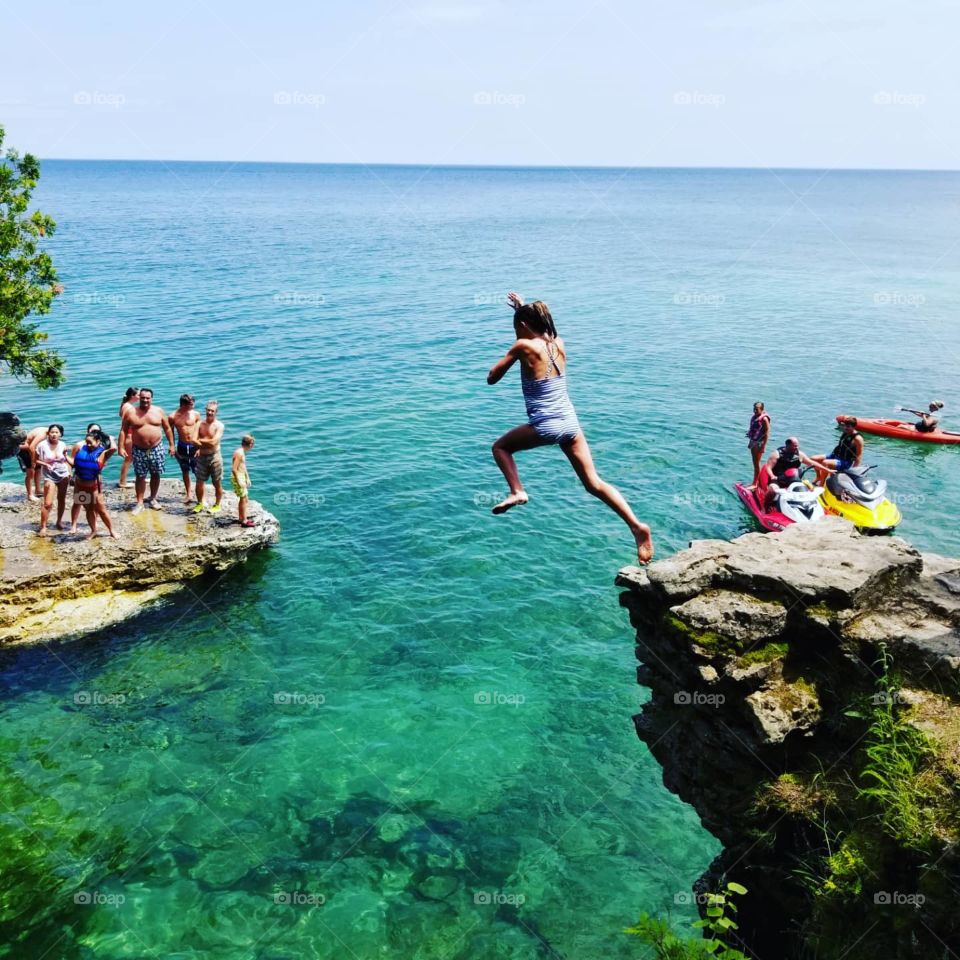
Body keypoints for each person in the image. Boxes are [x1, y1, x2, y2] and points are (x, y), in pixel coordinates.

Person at [487, 292, 654, 564]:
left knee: (500, 447)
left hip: (546, 424)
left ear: (524, 327)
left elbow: (492, 378)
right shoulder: (557, 342)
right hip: (570, 424)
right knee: (594, 483)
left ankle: (517, 491)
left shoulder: (521, 346)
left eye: (516, 326)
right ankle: (637, 526)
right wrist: (520, 309)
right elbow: (539, 330)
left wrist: (511, 353)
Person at [120, 388, 175, 515]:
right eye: (143, 397)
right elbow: (123, 430)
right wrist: (121, 447)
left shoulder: (159, 411)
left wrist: (172, 445)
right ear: (139, 398)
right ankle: (139, 503)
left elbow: (167, 428)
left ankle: (153, 498)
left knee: (155, 474)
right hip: (139, 449)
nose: (145, 400)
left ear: (151, 398)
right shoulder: (131, 412)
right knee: (140, 476)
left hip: (156, 448)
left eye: (148, 398)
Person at [69, 428, 118, 539]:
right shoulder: (82, 449)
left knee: (101, 510)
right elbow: (74, 464)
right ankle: (93, 531)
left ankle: (112, 530)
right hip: (79, 485)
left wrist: (111, 439)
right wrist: (64, 456)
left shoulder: (103, 453)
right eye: (87, 442)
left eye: (91, 443)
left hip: (93, 487)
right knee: (89, 509)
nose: (88, 445)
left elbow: (114, 448)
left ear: (98, 442)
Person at [762, 437, 832, 510]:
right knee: (773, 489)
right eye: (795, 446)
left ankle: (809, 509)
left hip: (793, 480)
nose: (797, 447)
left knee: (810, 490)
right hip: (778, 479)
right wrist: (772, 476)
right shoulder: (776, 454)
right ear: (787, 445)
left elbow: (812, 463)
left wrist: (827, 470)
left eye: (797, 445)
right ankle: (765, 507)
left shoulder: (800, 454)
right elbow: (768, 467)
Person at [35, 424, 72, 535]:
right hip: (49, 476)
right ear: (48, 433)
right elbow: (35, 460)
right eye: (52, 432)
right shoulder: (42, 445)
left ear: (60, 434)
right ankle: (43, 526)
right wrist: (45, 464)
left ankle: (59, 522)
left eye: (56, 432)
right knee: (48, 503)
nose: (54, 434)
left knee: (61, 500)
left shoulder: (63, 444)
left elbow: (65, 459)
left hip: (63, 474)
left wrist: (69, 472)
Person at [194, 400, 225, 513]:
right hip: (201, 457)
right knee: (199, 481)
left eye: (212, 411)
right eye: (208, 410)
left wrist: (199, 441)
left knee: (216, 482)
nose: (210, 413)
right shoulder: (199, 424)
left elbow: (213, 442)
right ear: (205, 410)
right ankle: (200, 503)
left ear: (216, 412)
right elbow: (192, 440)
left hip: (215, 457)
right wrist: (204, 441)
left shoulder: (219, 425)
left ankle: (217, 505)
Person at [170, 393, 202, 504]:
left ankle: (201, 497)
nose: (192, 406)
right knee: (185, 470)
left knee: (199, 472)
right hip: (182, 446)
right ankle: (188, 494)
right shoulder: (173, 416)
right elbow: (170, 432)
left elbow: (200, 432)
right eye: (190, 404)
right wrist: (172, 446)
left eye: (193, 404)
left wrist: (199, 448)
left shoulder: (196, 415)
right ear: (183, 404)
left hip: (194, 446)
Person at [811, 417, 863, 481]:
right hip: (835, 456)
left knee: (825, 463)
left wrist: (853, 471)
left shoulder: (858, 439)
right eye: (845, 426)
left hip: (845, 461)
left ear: (854, 427)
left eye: (848, 426)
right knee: (813, 459)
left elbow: (859, 456)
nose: (845, 428)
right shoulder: (846, 432)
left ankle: (821, 484)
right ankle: (818, 477)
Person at [17, 425, 47, 501]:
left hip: (30, 449)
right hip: (24, 449)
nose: (54, 435)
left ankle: (38, 490)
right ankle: (30, 495)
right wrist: (33, 460)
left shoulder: (46, 430)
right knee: (30, 472)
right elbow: (31, 447)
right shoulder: (43, 434)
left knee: (38, 469)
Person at [117, 387, 139, 489]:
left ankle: (138, 476)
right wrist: (120, 446)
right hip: (129, 435)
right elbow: (124, 427)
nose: (139, 397)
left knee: (133, 458)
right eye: (138, 395)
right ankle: (122, 482)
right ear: (132, 396)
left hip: (130, 434)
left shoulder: (126, 405)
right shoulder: (129, 408)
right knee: (129, 459)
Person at [231, 434, 255, 527]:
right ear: (249, 444)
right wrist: (239, 481)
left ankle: (242, 518)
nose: (252, 446)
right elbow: (234, 469)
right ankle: (244, 520)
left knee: (245, 499)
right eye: (252, 444)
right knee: (243, 499)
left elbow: (243, 467)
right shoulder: (239, 453)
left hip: (242, 476)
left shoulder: (241, 452)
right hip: (238, 477)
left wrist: (247, 477)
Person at [746, 401, 771, 488]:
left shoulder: (764, 419)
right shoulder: (754, 417)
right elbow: (753, 431)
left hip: (759, 443)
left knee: (756, 463)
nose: (755, 411)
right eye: (754, 409)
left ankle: (755, 484)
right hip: (754, 441)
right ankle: (756, 482)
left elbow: (767, 433)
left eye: (757, 409)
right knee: (755, 463)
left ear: (762, 409)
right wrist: (750, 442)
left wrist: (763, 446)